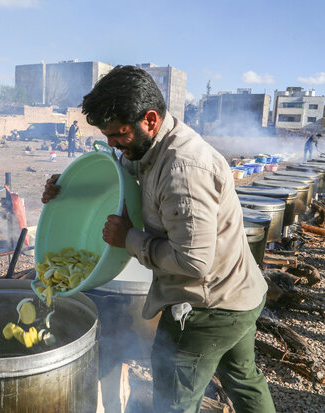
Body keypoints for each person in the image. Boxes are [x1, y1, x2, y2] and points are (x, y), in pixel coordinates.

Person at [42, 66, 275, 413]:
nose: (112, 143)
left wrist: (129, 239)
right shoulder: (154, 146)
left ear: (149, 119)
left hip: (206, 309)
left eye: (119, 134)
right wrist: (71, 187)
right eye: (106, 135)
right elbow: (121, 174)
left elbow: (194, 263)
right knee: (244, 379)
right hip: (240, 293)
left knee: (173, 401)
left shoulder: (183, 170)